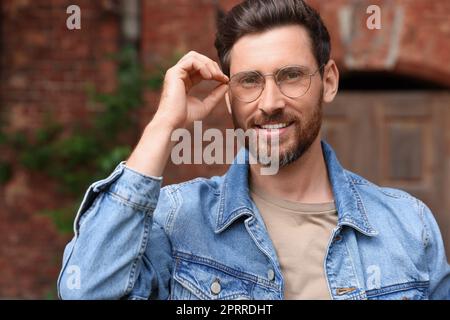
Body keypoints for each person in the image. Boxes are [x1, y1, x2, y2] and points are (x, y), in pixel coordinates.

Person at [57, 0, 450, 300]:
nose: (270, 102)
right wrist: (163, 125)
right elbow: (85, 290)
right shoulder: (174, 221)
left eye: (291, 76)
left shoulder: (409, 226)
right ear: (228, 97)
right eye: (249, 82)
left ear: (328, 81)